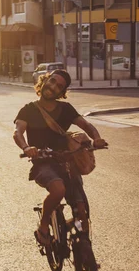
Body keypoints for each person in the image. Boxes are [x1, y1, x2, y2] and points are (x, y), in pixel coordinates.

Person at [13, 69, 108, 246]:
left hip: (67, 162)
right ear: (44, 81)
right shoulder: (28, 110)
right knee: (58, 190)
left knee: (81, 211)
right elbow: (18, 132)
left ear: (62, 93)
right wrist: (27, 147)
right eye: (52, 81)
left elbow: (86, 124)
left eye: (59, 86)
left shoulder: (66, 109)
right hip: (44, 163)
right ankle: (43, 227)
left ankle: (82, 251)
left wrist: (96, 138)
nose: (53, 86)